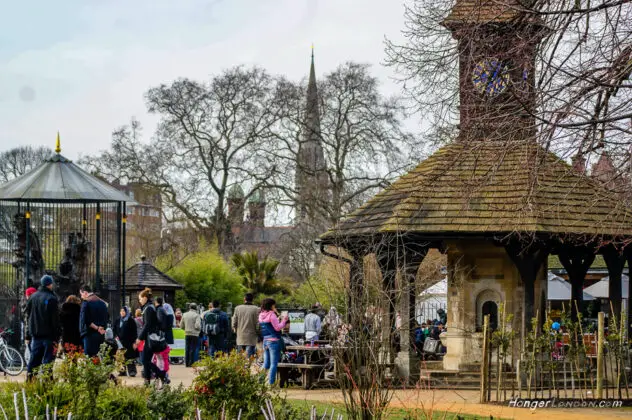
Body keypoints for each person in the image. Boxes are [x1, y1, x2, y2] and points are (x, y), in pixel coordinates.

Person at [26, 275, 59, 380]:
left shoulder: (33, 297)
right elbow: (55, 320)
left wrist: (28, 334)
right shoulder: (52, 298)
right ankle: (47, 385)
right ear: (50, 284)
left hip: (35, 334)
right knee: (47, 362)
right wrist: (57, 337)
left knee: (34, 361)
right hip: (49, 335)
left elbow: (28, 316)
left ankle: (30, 382)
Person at [135, 288, 169, 387]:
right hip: (151, 337)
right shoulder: (150, 307)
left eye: (140, 298)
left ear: (145, 298)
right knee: (146, 361)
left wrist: (139, 338)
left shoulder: (148, 308)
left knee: (145, 361)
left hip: (150, 338)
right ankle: (151, 379)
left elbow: (147, 324)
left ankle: (160, 376)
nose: (139, 300)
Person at [258, 298, 288, 385]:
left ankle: (260, 381)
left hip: (265, 341)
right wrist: (284, 320)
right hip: (273, 341)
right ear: (271, 305)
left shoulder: (261, 315)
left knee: (266, 363)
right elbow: (277, 328)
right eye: (274, 305)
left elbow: (270, 325)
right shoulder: (272, 315)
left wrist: (277, 315)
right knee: (273, 364)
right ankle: (271, 384)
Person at [79, 285, 108, 357]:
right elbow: (106, 318)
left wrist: (97, 328)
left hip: (89, 335)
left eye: (81, 294)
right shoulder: (103, 303)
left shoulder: (86, 303)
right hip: (100, 335)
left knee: (90, 359)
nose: (81, 297)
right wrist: (101, 328)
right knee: (98, 358)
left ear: (85, 293)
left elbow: (85, 320)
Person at [231, 293, 259, 358]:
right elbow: (258, 323)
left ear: (244, 299)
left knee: (240, 355)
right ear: (252, 300)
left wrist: (235, 330)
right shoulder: (256, 309)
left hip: (240, 335)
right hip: (251, 336)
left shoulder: (237, 308)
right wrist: (258, 332)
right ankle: (247, 367)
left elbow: (234, 321)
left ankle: (239, 367)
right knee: (249, 356)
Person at [113, 306, 138, 377]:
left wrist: (134, 342)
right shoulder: (118, 320)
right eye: (121, 311)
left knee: (130, 357)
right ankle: (122, 371)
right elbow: (114, 329)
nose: (122, 312)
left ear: (127, 312)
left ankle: (132, 371)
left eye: (123, 311)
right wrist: (115, 337)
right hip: (120, 342)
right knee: (121, 357)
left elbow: (134, 332)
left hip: (129, 342)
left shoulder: (131, 320)